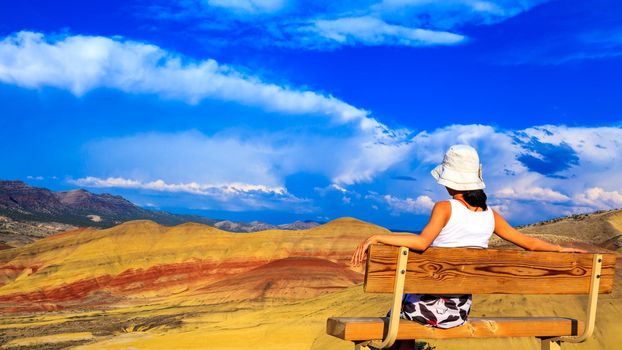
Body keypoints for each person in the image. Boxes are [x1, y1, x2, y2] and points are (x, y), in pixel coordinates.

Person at [350, 144, 586, 350]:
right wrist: (559, 250)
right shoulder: (490, 215)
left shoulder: (445, 207)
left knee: (399, 318)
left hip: (422, 310)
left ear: (449, 179)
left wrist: (378, 237)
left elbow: (422, 243)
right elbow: (530, 244)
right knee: (405, 320)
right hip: (458, 312)